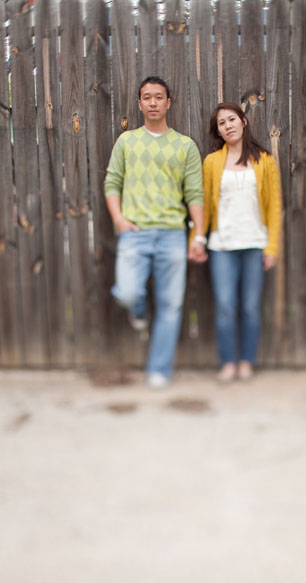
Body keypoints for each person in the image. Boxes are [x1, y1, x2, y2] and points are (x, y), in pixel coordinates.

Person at [105, 76, 204, 389]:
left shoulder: (185, 145)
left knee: (171, 306)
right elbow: (112, 183)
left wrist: (198, 234)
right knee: (128, 291)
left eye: (158, 97)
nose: (152, 102)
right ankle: (138, 308)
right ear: (139, 104)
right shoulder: (126, 142)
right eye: (146, 97)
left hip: (173, 235)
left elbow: (195, 194)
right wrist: (119, 220)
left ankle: (159, 370)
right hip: (134, 232)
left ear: (168, 102)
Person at [187, 103, 282, 383]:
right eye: (221, 123)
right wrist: (198, 240)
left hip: (254, 244)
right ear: (218, 131)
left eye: (232, 119)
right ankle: (228, 361)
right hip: (222, 246)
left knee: (250, 307)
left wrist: (272, 247)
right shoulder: (212, 162)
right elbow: (202, 205)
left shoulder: (264, 160)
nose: (228, 125)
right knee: (226, 306)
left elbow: (275, 207)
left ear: (243, 121)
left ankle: (246, 362)